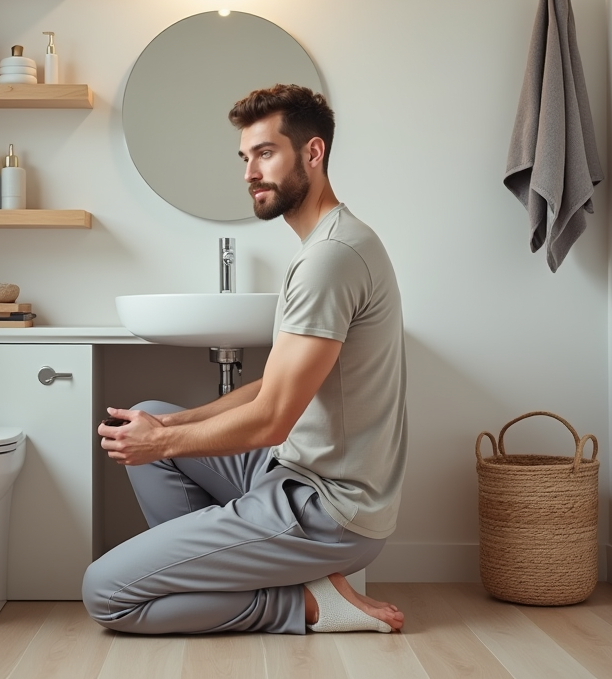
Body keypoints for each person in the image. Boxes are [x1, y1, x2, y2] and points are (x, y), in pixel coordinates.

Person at [82, 84, 408, 635]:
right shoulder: (328, 243)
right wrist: (168, 427)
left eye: (265, 153)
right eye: (244, 157)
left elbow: (273, 419)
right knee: (152, 412)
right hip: (290, 471)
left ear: (312, 152)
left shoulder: (330, 258)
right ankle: (225, 567)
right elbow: (270, 387)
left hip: (326, 510)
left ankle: (302, 604)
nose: (250, 173)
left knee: (105, 593)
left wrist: (161, 442)